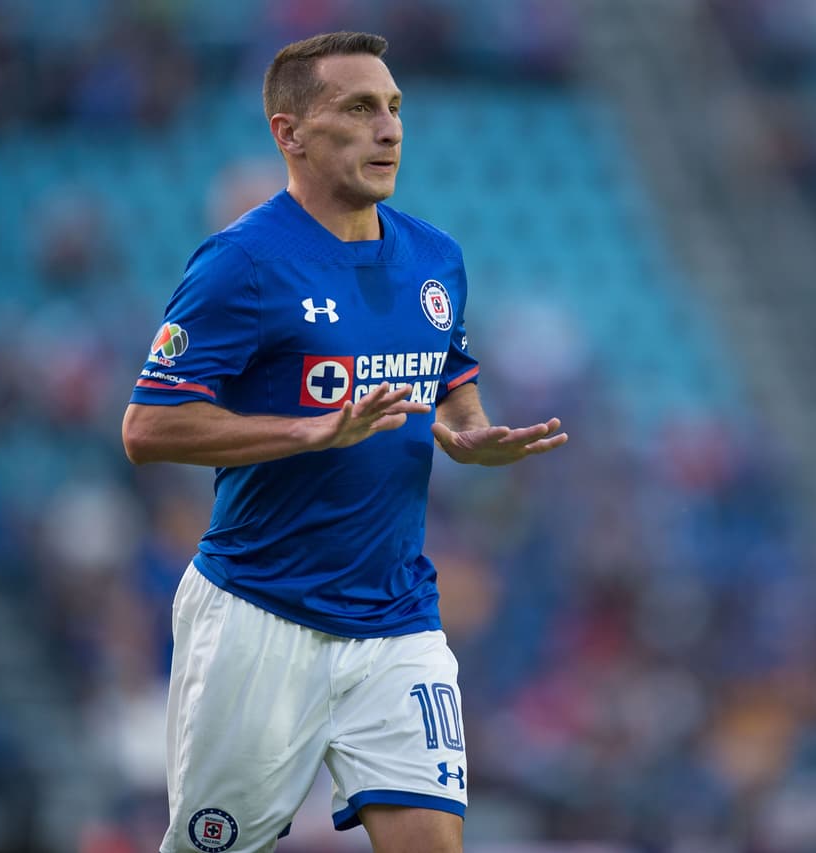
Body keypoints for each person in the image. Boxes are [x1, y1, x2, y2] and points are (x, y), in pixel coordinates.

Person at [121, 31, 567, 853]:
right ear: (289, 133)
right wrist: (309, 428)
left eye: (394, 107)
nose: (388, 128)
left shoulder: (435, 256)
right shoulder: (242, 264)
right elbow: (147, 426)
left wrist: (468, 430)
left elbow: (448, 361)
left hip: (397, 614)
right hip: (260, 613)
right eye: (359, 108)